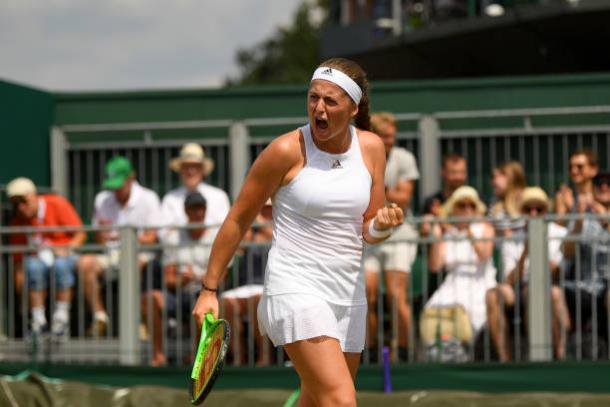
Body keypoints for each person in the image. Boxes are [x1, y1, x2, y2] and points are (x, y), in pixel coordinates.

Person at [192, 58, 404, 406]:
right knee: (340, 401)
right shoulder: (284, 151)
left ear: (352, 108)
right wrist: (208, 289)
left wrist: (383, 225)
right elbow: (237, 220)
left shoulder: (371, 148)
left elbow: (368, 227)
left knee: (316, 399)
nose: (318, 108)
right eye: (312, 98)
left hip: (347, 295)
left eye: (330, 101)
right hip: (295, 287)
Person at [77, 156, 163, 336]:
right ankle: (100, 318)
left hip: (141, 254)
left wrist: (127, 240)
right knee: (85, 263)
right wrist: (103, 233)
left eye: (119, 185)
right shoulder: (102, 199)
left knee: (134, 263)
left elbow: (152, 237)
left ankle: (139, 321)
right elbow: (100, 240)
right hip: (111, 255)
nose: (115, 190)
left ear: (131, 178)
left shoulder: (149, 198)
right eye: (112, 186)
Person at [486, 187, 570, 361]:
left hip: (548, 285)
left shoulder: (559, 233)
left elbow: (559, 272)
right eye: (528, 209)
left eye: (538, 209)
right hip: (519, 287)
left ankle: (558, 356)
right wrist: (526, 251)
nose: (533, 213)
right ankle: (505, 361)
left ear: (546, 210)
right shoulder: (512, 238)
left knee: (544, 292)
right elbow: (509, 279)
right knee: (493, 295)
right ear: (522, 211)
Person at [363, 112, 419, 362]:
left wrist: (378, 189)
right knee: (367, 294)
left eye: (392, 137)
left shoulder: (404, 158)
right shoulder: (361, 156)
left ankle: (406, 353)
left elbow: (404, 198)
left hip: (400, 235)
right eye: (385, 136)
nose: (390, 141)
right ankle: (371, 352)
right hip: (370, 234)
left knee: (397, 295)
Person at [143, 191, 221, 366]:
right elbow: (168, 279)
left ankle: (196, 357)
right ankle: (158, 355)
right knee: (151, 299)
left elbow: (222, 278)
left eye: (200, 208)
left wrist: (201, 280)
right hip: (179, 294)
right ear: (186, 211)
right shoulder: (173, 238)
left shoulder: (216, 237)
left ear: (206, 210)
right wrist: (181, 281)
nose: (197, 213)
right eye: (193, 209)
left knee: (199, 303)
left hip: (207, 294)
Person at [7, 177, 86, 337]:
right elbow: (18, 264)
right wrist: (22, 298)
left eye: (24, 201)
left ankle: (61, 319)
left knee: (61, 265)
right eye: (16, 204)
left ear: (34, 196)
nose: (21, 207)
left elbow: (80, 234)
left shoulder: (57, 203)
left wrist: (66, 249)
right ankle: (38, 320)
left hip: (65, 256)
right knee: (32, 266)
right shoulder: (17, 223)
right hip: (37, 263)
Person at [423, 186, 497, 349]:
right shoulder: (449, 234)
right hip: (452, 285)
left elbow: (484, 256)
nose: (467, 210)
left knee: (465, 317)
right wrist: (436, 235)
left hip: (479, 284)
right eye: (462, 206)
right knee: (434, 315)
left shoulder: (485, 228)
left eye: (471, 206)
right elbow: (435, 266)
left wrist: (469, 231)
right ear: (454, 209)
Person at [563, 172, 610, 357]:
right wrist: (579, 221)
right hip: (586, 286)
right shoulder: (582, 215)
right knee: (554, 293)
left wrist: (606, 220)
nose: (604, 187)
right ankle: (559, 358)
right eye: (599, 183)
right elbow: (566, 252)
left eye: (608, 183)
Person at [221, 198, 272, 366]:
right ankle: (238, 357)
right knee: (227, 303)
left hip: (268, 286)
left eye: (268, 209)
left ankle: (264, 358)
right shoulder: (249, 231)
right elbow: (236, 254)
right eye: (261, 208)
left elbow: (276, 237)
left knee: (257, 300)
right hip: (243, 287)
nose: (264, 212)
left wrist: (259, 224)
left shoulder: (281, 227)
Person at [161, 143, 230, 231]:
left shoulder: (219, 196)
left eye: (195, 166)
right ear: (180, 169)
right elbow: (163, 234)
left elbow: (225, 231)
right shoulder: (169, 199)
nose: (191, 171)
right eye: (186, 166)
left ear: (203, 169)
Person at [555, 149, 599, 227]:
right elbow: (559, 229)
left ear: (593, 170)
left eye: (580, 167)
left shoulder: (603, 194)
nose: (574, 171)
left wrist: (572, 207)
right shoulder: (563, 196)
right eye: (570, 167)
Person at [488, 160, 527, 237]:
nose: (494, 182)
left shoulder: (527, 200)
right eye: (493, 177)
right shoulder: (495, 204)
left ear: (511, 178)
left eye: (500, 175)